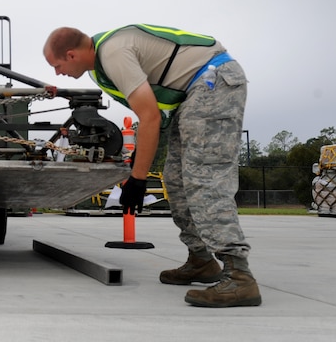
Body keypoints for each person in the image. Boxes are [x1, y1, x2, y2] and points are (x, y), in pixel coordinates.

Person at [43, 24, 260, 308]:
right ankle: (201, 260)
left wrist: (138, 178)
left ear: (71, 55)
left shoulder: (113, 54)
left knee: (204, 178)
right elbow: (153, 113)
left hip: (212, 81)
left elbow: (149, 116)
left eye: (56, 65)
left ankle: (239, 276)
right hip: (194, 92)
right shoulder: (101, 63)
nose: (57, 72)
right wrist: (138, 165)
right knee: (177, 179)